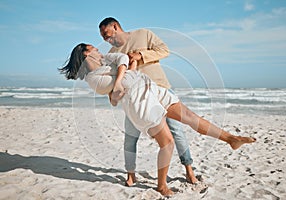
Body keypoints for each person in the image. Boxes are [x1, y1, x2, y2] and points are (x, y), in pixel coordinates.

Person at [59, 43, 256, 197]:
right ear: (86, 53)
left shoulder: (105, 62)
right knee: (167, 143)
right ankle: (161, 186)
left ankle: (231, 139)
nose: (99, 50)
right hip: (140, 102)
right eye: (94, 48)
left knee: (191, 118)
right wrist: (123, 76)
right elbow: (116, 84)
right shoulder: (92, 79)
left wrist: (120, 78)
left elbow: (121, 60)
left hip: (152, 89)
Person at [98, 17, 199, 186]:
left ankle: (189, 170)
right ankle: (131, 174)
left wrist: (140, 55)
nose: (106, 39)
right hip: (136, 99)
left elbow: (164, 50)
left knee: (177, 132)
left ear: (115, 26)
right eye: (103, 37)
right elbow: (114, 79)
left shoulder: (143, 34)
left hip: (161, 89)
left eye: (107, 34)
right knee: (130, 137)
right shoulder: (112, 54)